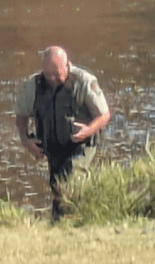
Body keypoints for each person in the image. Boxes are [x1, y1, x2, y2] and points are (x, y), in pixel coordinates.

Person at [14, 46, 111, 220]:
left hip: (81, 143)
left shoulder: (84, 82)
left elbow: (104, 115)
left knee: (72, 178)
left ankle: (68, 222)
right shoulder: (33, 85)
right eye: (48, 74)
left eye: (56, 74)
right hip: (52, 144)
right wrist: (26, 140)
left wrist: (88, 130)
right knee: (56, 185)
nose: (52, 79)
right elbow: (21, 115)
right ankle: (64, 223)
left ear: (67, 66)